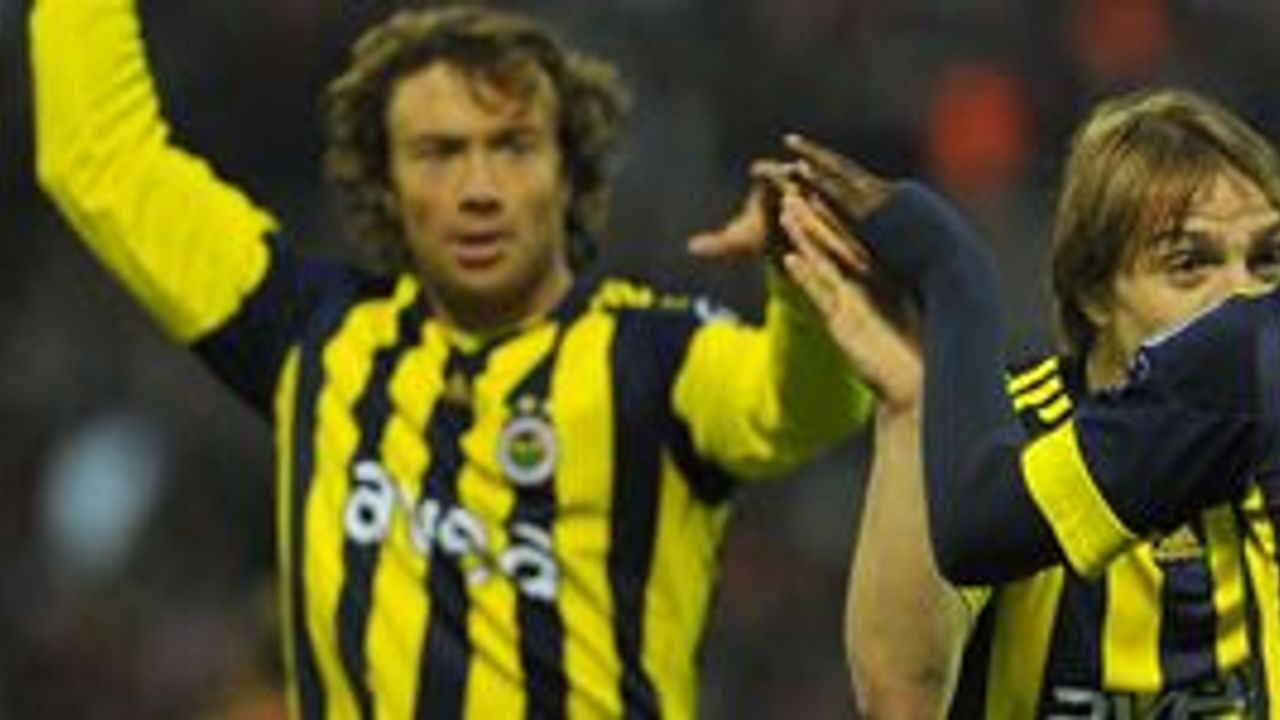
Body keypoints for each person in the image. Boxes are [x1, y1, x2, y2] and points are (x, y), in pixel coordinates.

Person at [30, 0, 876, 716]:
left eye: (513, 146)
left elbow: (803, 410)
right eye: (438, 152)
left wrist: (802, 288)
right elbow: (99, 159)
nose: (478, 190)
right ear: (384, 182)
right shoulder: (313, 335)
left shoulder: (652, 358)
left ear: (570, 170)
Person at [776, 89, 1280, 716]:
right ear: (1094, 291)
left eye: (1267, 261)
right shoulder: (998, 443)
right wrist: (912, 410)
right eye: (1188, 264)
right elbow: (900, 699)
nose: (1241, 296)